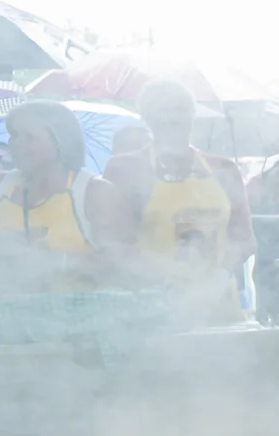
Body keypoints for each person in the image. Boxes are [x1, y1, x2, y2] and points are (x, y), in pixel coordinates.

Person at [106, 78, 250, 324]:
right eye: (163, 111)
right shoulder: (126, 168)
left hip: (218, 301)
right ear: (147, 118)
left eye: (180, 110)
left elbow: (245, 239)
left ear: (193, 116)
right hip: (154, 304)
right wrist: (161, 287)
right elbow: (118, 245)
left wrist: (217, 281)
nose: (173, 119)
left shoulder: (223, 168)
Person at [0, 99, 135, 290]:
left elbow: (124, 264)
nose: (17, 144)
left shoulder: (95, 193)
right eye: (14, 135)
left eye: (30, 137)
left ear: (61, 141)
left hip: (78, 315)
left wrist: (56, 261)